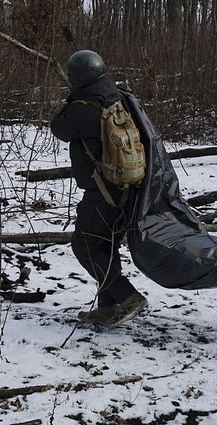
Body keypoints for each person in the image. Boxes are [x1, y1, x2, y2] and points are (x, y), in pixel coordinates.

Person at [50, 50, 148, 326]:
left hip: (101, 192)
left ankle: (129, 297)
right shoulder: (120, 98)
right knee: (106, 246)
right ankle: (108, 307)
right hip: (126, 188)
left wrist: (71, 100)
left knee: (84, 245)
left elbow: (58, 128)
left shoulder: (83, 106)